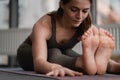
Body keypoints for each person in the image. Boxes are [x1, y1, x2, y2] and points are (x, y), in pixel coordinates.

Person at [17, 0, 120, 77]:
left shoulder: (84, 24)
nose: (79, 16)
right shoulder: (44, 25)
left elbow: (97, 54)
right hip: (28, 54)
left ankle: (113, 66)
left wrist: (99, 52)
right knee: (54, 52)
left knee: (70, 53)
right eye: (74, 10)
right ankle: (82, 63)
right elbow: (39, 62)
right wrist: (54, 67)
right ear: (62, 4)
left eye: (85, 11)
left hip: (62, 53)